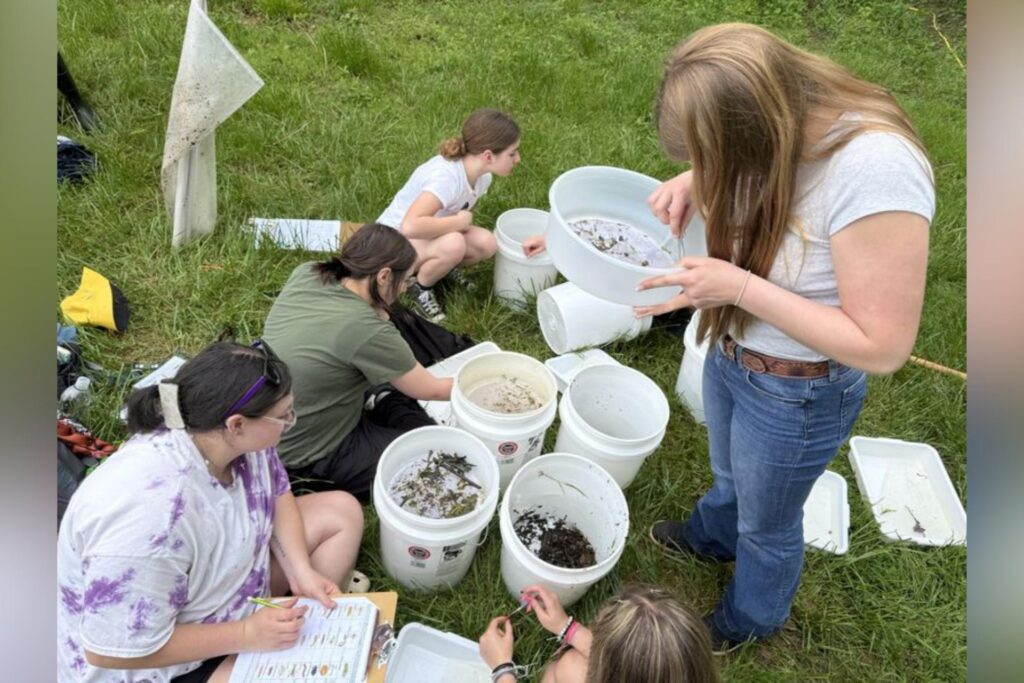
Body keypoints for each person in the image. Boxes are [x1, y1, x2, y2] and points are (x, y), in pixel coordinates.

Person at [633, 23, 934, 648]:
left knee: (768, 525)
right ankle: (712, 537)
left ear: (757, 124)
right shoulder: (782, 122)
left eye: (714, 155)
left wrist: (738, 289)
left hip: (797, 391)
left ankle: (753, 617)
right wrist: (696, 179)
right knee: (730, 478)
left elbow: (882, 346)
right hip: (733, 352)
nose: (710, 170)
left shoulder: (875, 170)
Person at [57, 341, 365, 683]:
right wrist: (247, 634)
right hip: (157, 665)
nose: (290, 422)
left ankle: (281, 636)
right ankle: (266, 649)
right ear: (236, 424)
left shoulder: (224, 432)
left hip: (222, 597)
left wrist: (300, 570)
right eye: (284, 417)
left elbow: (277, 492)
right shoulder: (152, 521)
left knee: (341, 512)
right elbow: (109, 651)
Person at [262, 223, 452, 500]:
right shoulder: (366, 329)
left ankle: (381, 396)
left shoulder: (309, 272)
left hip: (276, 423)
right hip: (311, 453)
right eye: (407, 280)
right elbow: (432, 390)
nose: (404, 289)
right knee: (431, 457)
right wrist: (486, 385)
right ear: (385, 276)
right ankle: (384, 398)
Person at [377, 108, 522, 322]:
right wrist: (458, 222)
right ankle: (420, 288)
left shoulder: (483, 177)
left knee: (487, 243)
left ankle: (439, 269)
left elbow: (460, 212)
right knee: (454, 243)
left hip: (427, 236)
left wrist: (459, 222)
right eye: (512, 153)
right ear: (488, 156)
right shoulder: (445, 178)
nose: (517, 159)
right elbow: (410, 226)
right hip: (391, 243)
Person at [478, 584, 717, 683]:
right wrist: (567, 628)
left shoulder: (572, 672)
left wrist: (501, 668)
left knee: (569, 667)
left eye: (598, 634)